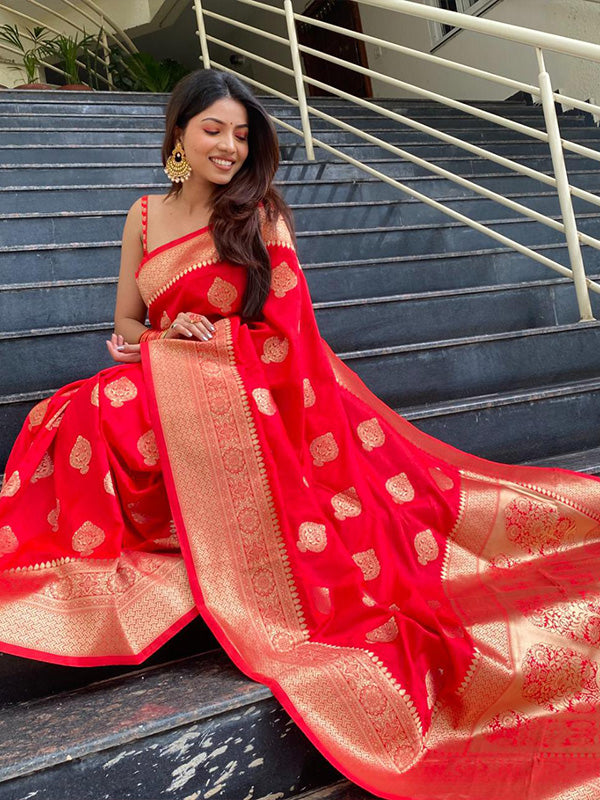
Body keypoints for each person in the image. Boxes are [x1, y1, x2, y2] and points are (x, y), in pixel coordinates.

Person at [1, 67, 600, 800]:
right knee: (65, 411)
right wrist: (155, 336)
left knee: (109, 410)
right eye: (212, 129)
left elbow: (288, 338)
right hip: (167, 373)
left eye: (241, 134)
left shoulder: (258, 215)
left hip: (247, 392)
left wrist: (212, 343)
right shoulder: (143, 216)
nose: (227, 146)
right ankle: (92, 558)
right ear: (179, 135)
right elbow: (127, 321)